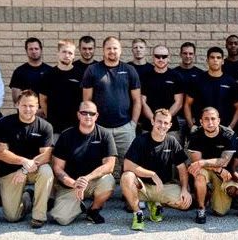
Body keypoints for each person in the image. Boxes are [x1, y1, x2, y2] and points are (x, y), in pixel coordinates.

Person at [120, 109, 192, 231]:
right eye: (159, 121)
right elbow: (127, 165)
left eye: (166, 123)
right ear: (153, 121)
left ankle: (155, 204)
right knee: (126, 177)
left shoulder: (172, 141)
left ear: (170, 125)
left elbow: (182, 168)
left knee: (185, 203)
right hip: (142, 187)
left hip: (162, 187)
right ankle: (138, 213)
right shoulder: (141, 140)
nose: (162, 125)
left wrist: (185, 189)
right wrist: (152, 174)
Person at [49, 101, 117, 225]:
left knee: (108, 180)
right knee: (61, 219)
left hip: (92, 181)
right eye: (84, 113)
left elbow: (109, 166)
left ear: (96, 116)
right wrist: (74, 183)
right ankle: (79, 206)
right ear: (78, 115)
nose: (88, 116)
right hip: (70, 184)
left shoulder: (105, 135)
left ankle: (94, 210)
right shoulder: (66, 135)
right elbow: (58, 168)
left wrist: (86, 178)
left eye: (92, 113)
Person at [82, 36, 141, 178]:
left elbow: (137, 100)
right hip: (100, 128)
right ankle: (99, 192)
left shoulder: (129, 70)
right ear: (103, 50)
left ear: (120, 51)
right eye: (108, 48)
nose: (112, 51)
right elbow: (87, 101)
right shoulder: (92, 70)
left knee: (130, 163)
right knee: (98, 163)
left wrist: (133, 124)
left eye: (115, 48)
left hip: (125, 127)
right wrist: (91, 123)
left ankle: (128, 194)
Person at [0, 90, 54, 228]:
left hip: (32, 169)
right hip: (9, 171)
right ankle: (28, 197)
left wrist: (25, 169)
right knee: (12, 217)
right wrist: (23, 161)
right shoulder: (4, 124)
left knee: (46, 171)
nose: (28, 109)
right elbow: (2, 153)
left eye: (32, 106)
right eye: (24, 105)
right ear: (17, 105)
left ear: (37, 106)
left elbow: (46, 155)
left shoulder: (45, 126)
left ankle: (39, 215)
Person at [187, 107, 235, 224]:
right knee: (199, 175)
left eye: (213, 119)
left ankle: (210, 194)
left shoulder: (228, 135)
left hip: (222, 173)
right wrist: (217, 168)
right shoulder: (195, 135)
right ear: (201, 122)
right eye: (206, 119)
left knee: (220, 212)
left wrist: (204, 162)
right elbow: (196, 162)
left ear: (219, 120)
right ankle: (201, 208)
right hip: (206, 170)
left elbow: (225, 161)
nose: (210, 122)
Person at [185, 46, 238, 131]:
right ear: (207, 60)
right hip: (201, 129)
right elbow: (187, 104)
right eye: (212, 57)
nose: (215, 60)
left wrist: (230, 127)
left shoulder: (230, 82)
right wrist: (191, 126)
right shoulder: (197, 80)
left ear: (222, 61)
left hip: (223, 129)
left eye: (218, 58)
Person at [40, 39, 85, 137]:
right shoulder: (48, 75)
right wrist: (50, 117)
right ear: (58, 53)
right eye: (64, 52)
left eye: (70, 53)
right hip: (54, 128)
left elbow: (84, 100)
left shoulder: (80, 74)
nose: (67, 55)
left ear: (74, 56)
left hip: (76, 127)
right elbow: (42, 100)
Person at [140, 45, 184, 142]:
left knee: (173, 156)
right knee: (147, 156)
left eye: (164, 56)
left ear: (168, 58)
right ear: (153, 57)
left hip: (171, 127)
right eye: (157, 56)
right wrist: (154, 120)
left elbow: (179, 102)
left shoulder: (176, 76)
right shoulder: (145, 77)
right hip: (149, 125)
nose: (161, 59)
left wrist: (164, 120)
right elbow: (142, 102)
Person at [9, 37, 52, 104]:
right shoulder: (19, 72)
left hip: (46, 113)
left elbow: (55, 95)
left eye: (36, 49)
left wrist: (43, 110)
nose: (34, 51)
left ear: (41, 50)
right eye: (31, 49)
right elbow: (16, 100)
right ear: (26, 51)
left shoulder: (50, 71)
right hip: (27, 112)